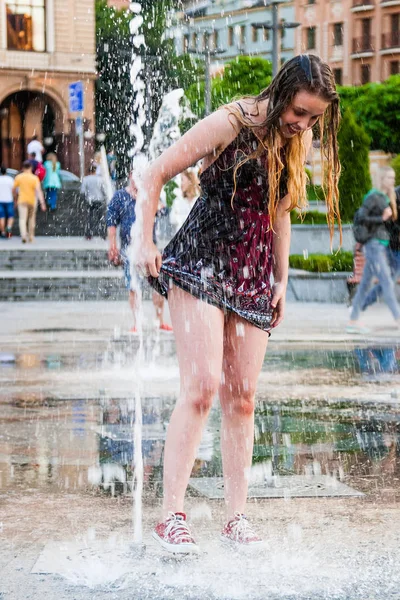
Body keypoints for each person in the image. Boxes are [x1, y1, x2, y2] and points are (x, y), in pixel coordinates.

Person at [133, 54, 341, 552]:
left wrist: (282, 277)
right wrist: (144, 241)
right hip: (202, 259)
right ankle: (171, 516)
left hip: (252, 271)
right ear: (282, 92)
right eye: (298, 112)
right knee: (203, 386)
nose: (303, 124)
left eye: (313, 118)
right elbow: (155, 173)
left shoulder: (299, 139)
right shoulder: (231, 121)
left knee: (242, 395)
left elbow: (282, 209)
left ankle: (236, 518)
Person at [107, 171, 173, 333]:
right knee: (133, 286)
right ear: (130, 176)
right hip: (130, 249)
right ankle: (137, 322)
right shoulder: (120, 196)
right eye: (138, 176)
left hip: (150, 247)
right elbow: (111, 221)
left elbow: (165, 212)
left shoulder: (150, 194)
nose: (140, 180)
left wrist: (156, 204)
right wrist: (112, 245)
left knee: (158, 285)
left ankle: (159, 320)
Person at [347, 167, 400, 333]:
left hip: (380, 245)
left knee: (365, 284)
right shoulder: (374, 196)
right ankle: (398, 318)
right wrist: (381, 218)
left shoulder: (386, 198)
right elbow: (360, 216)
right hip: (373, 245)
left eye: (393, 178)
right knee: (386, 282)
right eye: (389, 178)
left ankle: (353, 318)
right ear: (382, 179)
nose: (392, 181)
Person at [360, 179, 400, 312]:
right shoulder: (395, 195)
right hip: (395, 247)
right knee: (387, 282)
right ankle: (362, 304)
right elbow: (386, 222)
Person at [13, 160, 46, 243]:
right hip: (32, 201)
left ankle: (24, 235)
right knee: (31, 219)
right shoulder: (34, 178)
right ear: (31, 168)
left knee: (22, 219)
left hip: (22, 200)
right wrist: (42, 203)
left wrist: (15, 199)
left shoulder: (19, 177)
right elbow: (38, 191)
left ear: (23, 168)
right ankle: (31, 237)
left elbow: (13, 189)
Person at [80, 164, 107, 239]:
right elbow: (104, 190)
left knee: (89, 217)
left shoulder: (86, 179)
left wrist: (85, 198)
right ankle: (103, 234)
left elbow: (83, 191)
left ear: (89, 171)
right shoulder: (100, 179)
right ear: (95, 171)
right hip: (99, 199)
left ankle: (88, 234)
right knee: (100, 217)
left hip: (90, 200)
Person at [0, 166, 15, 238]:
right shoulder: (10, 179)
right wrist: (15, 198)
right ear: (6, 171)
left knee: (1, 217)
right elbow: (13, 190)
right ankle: (8, 227)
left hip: (0, 200)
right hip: (9, 200)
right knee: (10, 216)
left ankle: (2, 232)